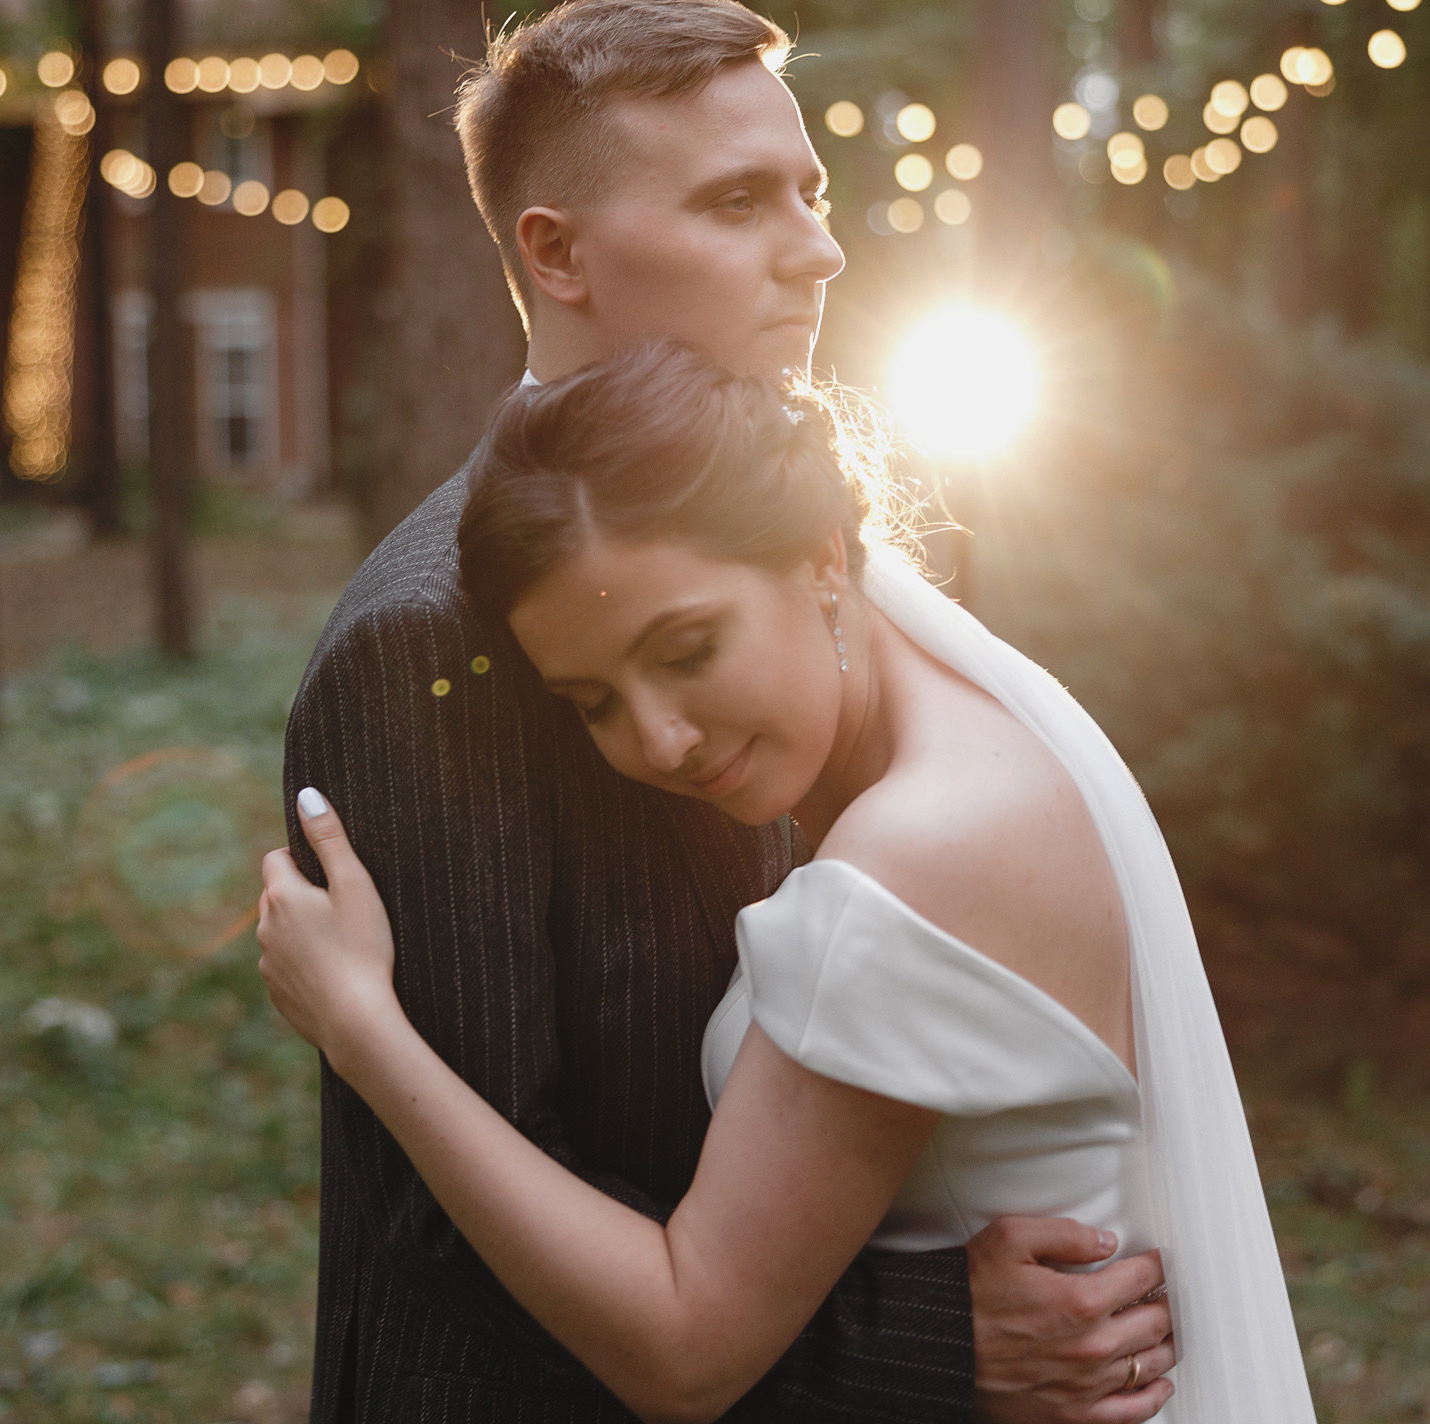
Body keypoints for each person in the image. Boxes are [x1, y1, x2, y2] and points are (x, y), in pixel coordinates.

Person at [275, 0, 1178, 1423]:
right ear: (557, 253)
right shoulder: (429, 638)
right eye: (741, 203)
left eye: (812, 194)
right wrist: (937, 1344)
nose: (819, 252)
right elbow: (455, 1226)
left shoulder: (794, 542)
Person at [259, 346, 1317, 1424]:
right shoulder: (987, 730)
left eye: (687, 647)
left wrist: (364, 1028)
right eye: (592, 701)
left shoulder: (910, 865)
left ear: (821, 558)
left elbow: (683, 1349)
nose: (658, 739)